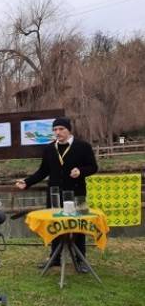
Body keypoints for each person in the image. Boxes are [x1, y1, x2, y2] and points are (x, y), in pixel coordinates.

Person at [15, 117, 98, 273]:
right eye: (55, 130)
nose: (57, 132)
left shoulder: (83, 146)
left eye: (61, 129)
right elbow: (43, 171)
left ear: (69, 130)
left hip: (77, 193)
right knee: (54, 226)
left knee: (79, 226)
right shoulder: (49, 149)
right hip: (54, 194)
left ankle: (81, 260)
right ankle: (55, 258)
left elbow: (93, 167)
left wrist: (81, 171)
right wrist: (27, 182)